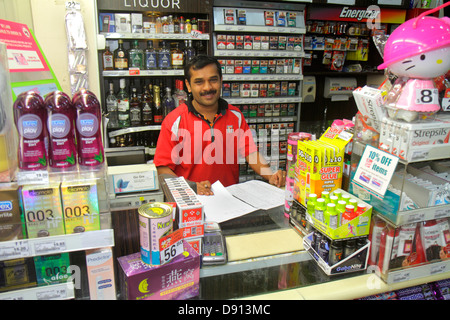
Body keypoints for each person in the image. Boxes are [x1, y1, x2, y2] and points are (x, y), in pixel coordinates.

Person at [153, 55, 285, 195]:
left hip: (229, 200)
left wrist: (270, 175)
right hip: (191, 201)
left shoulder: (236, 116)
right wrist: (190, 186)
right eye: (199, 82)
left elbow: (251, 153)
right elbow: (162, 169)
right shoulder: (174, 121)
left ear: (221, 81)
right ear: (188, 86)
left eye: (213, 80)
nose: (207, 87)